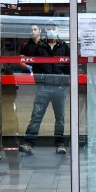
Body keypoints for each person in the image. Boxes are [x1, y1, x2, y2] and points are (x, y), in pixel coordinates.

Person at [19, 21, 71, 155]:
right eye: (49, 28)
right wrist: (40, 82)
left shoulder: (64, 46)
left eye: (54, 28)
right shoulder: (40, 47)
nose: (51, 30)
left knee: (60, 116)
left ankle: (60, 144)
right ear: (46, 31)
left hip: (59, 88)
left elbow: (69, 68)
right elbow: (35, 67)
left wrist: (63, 84)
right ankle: (29, 143)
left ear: (58, 30)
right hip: (44, 87)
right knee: (36, 115)